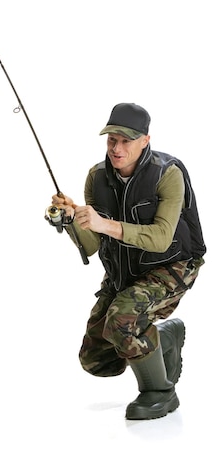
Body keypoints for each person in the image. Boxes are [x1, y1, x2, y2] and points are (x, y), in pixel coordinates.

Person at [50, 102, 206, 420]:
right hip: (124, 272)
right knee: (98, 359)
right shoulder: (96, 177)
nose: (117, 149)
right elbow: (92, 245)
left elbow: (162, 238)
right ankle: (162, 338)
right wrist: (72, 221)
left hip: (171, 265)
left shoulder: (168, 174)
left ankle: (160, 392)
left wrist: (104, 224)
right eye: (111, 140)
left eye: (126, 140)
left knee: (122, 320)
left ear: (145, 141)